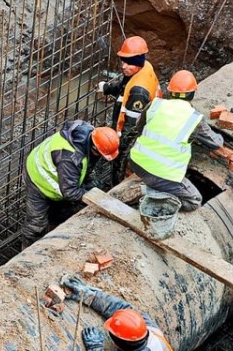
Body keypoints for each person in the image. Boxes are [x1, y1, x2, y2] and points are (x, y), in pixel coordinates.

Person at [129, 70, 222, 211]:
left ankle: (151, 185)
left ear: (170, 92)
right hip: (160, 175)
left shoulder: (155, 105)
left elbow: (139, 127)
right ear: (192, 94)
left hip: (136, 163)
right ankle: (151, 194)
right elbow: (215, 143)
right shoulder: (194, 118)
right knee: (194, 201)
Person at [22, 120, 120, 246]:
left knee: (61, 213)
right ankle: (28, 253)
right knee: (36, 225)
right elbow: (70, 192)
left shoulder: (88, 133)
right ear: (94, 147)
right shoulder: (70, 159)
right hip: (38, 180)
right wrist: (93, 196)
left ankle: (53, 231)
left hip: (57, 172)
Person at [97, 36, 162, 185]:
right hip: (145, 120)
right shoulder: (144, 67)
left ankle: (116, 184)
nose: (124, 66)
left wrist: (120, 148)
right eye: (123, 61)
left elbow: (131, 127)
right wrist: (107, 88)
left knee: (119, 165)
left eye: (129, 63)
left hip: (135, 134)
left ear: (137, 62)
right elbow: (124, 85)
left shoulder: (139, 92)